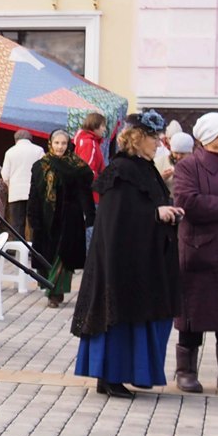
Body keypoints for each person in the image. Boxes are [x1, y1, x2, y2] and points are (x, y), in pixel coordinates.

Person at [72, 110, 183, 397]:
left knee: (143, 316)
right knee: (117, 317)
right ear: (137, 138)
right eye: (153, 138)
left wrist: (166, 212)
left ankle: (122, 374)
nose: (159, 143)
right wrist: (154, 214)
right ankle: (109, 376)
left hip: (141, 259)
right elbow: (116, 217)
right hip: (119, 262)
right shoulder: (121, 170)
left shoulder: (144, 168)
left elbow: (145, 205)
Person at [170, 112, 218, 394]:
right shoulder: (189, 167)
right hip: (199, 251)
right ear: (212, 137)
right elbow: (189, 202)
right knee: (193, 314)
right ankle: (185, 370)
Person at [28, 130, 96, 308]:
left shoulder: (76, 166)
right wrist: (33, 216)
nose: (60, 147)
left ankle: (55, 293)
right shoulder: (39, 166)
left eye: (63, 143)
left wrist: (90, 216)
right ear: (50, 143)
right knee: (47, 255)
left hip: (69, 218)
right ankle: (50, 287)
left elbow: (85, 191)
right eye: (57, 143)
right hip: (46, 218)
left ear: (68, 145)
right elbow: (34, 193)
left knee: (63, 256)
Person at [2, 129, 43, 235]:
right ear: (30, 139)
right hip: (35, 193)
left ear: (16, 140)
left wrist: (11, 186)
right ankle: (35, 250)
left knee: (17, 225)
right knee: (35, 225)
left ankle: (18, 249)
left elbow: (5, 175)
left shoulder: (10, 152)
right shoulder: (39, 150)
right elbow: (44, 172)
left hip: (15, 193)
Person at [74, 112, 108, 181]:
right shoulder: (90, 143)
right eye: (103, 126)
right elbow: (87, 169)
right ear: (95, 126)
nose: (104, 129)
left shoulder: (84, 140)